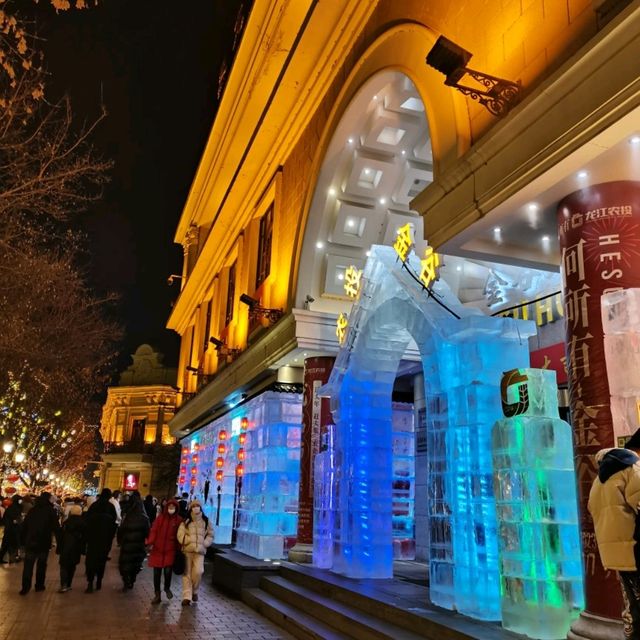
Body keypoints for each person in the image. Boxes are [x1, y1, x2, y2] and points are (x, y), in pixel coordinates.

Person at [589, 431, 640, 638]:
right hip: (635, 548)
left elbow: (592, 509)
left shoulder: (598, 481)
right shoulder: (631, 469)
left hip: (615, 555)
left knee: (632, 604)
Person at [19, 491, 60, 595]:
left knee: (28, 565)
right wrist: (60, 542)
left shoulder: (33, 510)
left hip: (30, 541)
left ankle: (25, 587)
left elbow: (25, 526)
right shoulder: (51, 511)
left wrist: (22, 541)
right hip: (44, 542)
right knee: (41, 565)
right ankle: (39, 585)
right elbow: (56, 527)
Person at [177, 500, 213, 606]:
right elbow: (180, 534)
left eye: (198, 506)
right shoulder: (186, 521)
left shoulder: (206, 521)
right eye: (194, 506)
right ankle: (187, 596)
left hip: (200, 552)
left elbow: (211, 534)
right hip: (187, 551)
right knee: (187, 574)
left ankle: (195, 591)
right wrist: (188, 540)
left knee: (198, 572)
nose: (196, 508)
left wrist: (205, 543)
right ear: (190, 508)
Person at [146, 498, 182, 604]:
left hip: (170, 550)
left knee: (168, 571)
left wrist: (179, 548)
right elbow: (154, 530)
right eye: (170, 507)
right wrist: (150, 543)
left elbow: (180, 535)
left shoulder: (179, 520)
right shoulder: (160, 518)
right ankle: (157, 594)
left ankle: (167, 588)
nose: (171, 509)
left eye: (173, 507)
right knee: (156, 573)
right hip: (158, 549)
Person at [84, 488, 117, 593]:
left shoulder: (94, 506)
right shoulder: (111, 507)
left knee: (91, 560)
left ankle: (90, 582)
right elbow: (113, 524)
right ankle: (99, 581)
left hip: (93, 539)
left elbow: (87, 522)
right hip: (104, 540)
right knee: (101, 561)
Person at [117, 492, 149, 590]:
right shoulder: (144, 518)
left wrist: (120, 541)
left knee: (125, 564)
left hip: (127, 544)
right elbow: (147, 532)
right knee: (135, 564)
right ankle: (132, 580)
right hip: (139, 545)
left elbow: (121, 530)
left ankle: (126, 581)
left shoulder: (127, 516)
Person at [57, 504, 85, 593]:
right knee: (72, 566)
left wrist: (59, 548)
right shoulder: (83, 523)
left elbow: (60, 537)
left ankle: (63, 585)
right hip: (76, 548)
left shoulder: (66, 522)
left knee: (64, 566)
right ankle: (69, 584)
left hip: (65, 547)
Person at [0, 494, 23, 564]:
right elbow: (13, 518)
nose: (21, 501)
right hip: (12, 529)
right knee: (11, 544)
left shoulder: (12, 507)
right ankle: (12, 558)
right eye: (20, 500)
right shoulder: (14, 508)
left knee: (7, 544)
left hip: (10, 529)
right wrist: (16, 521)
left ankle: (7, 558)